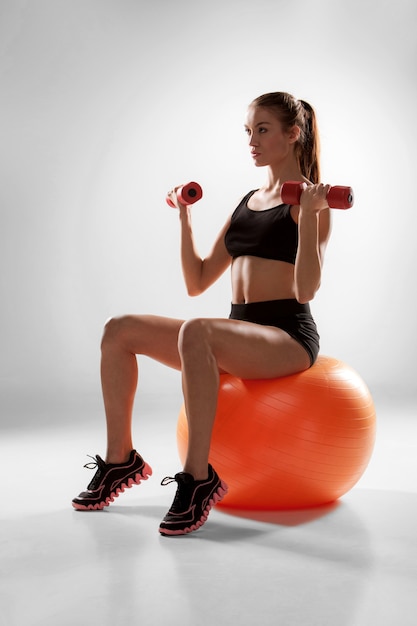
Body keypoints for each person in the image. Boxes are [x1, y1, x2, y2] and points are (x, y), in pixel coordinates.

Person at [72, 91, 332, 536]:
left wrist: (307, 217)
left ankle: (197, 479)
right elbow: (197, 281)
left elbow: (307, 288)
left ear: (293, 134)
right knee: (118, 331)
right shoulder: (248, 202)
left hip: (287, 336)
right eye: (248, 131)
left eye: (262, 130)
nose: (251, 140)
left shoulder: (311, 203)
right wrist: (185, 217)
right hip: (237, 329)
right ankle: (120, 460)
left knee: (198, 332)